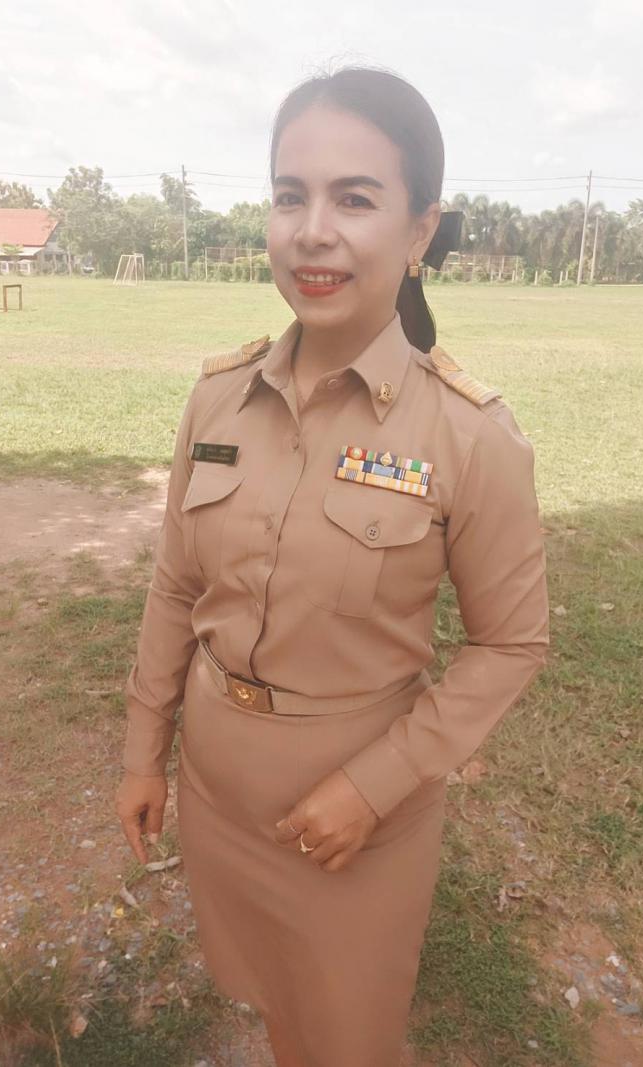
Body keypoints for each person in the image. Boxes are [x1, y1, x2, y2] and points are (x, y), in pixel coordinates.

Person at [115, 64, 550, 1067]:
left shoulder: (469, 434)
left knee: (349, 1035)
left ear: (419, 230)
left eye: (354, 199)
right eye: (290, 195)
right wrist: (144, 752)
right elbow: (178, 584)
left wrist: (374, 784)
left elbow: (511, 642)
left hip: (358, 825)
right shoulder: (217, 401)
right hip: (217, 794)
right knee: (275, 1003)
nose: (313, 231)